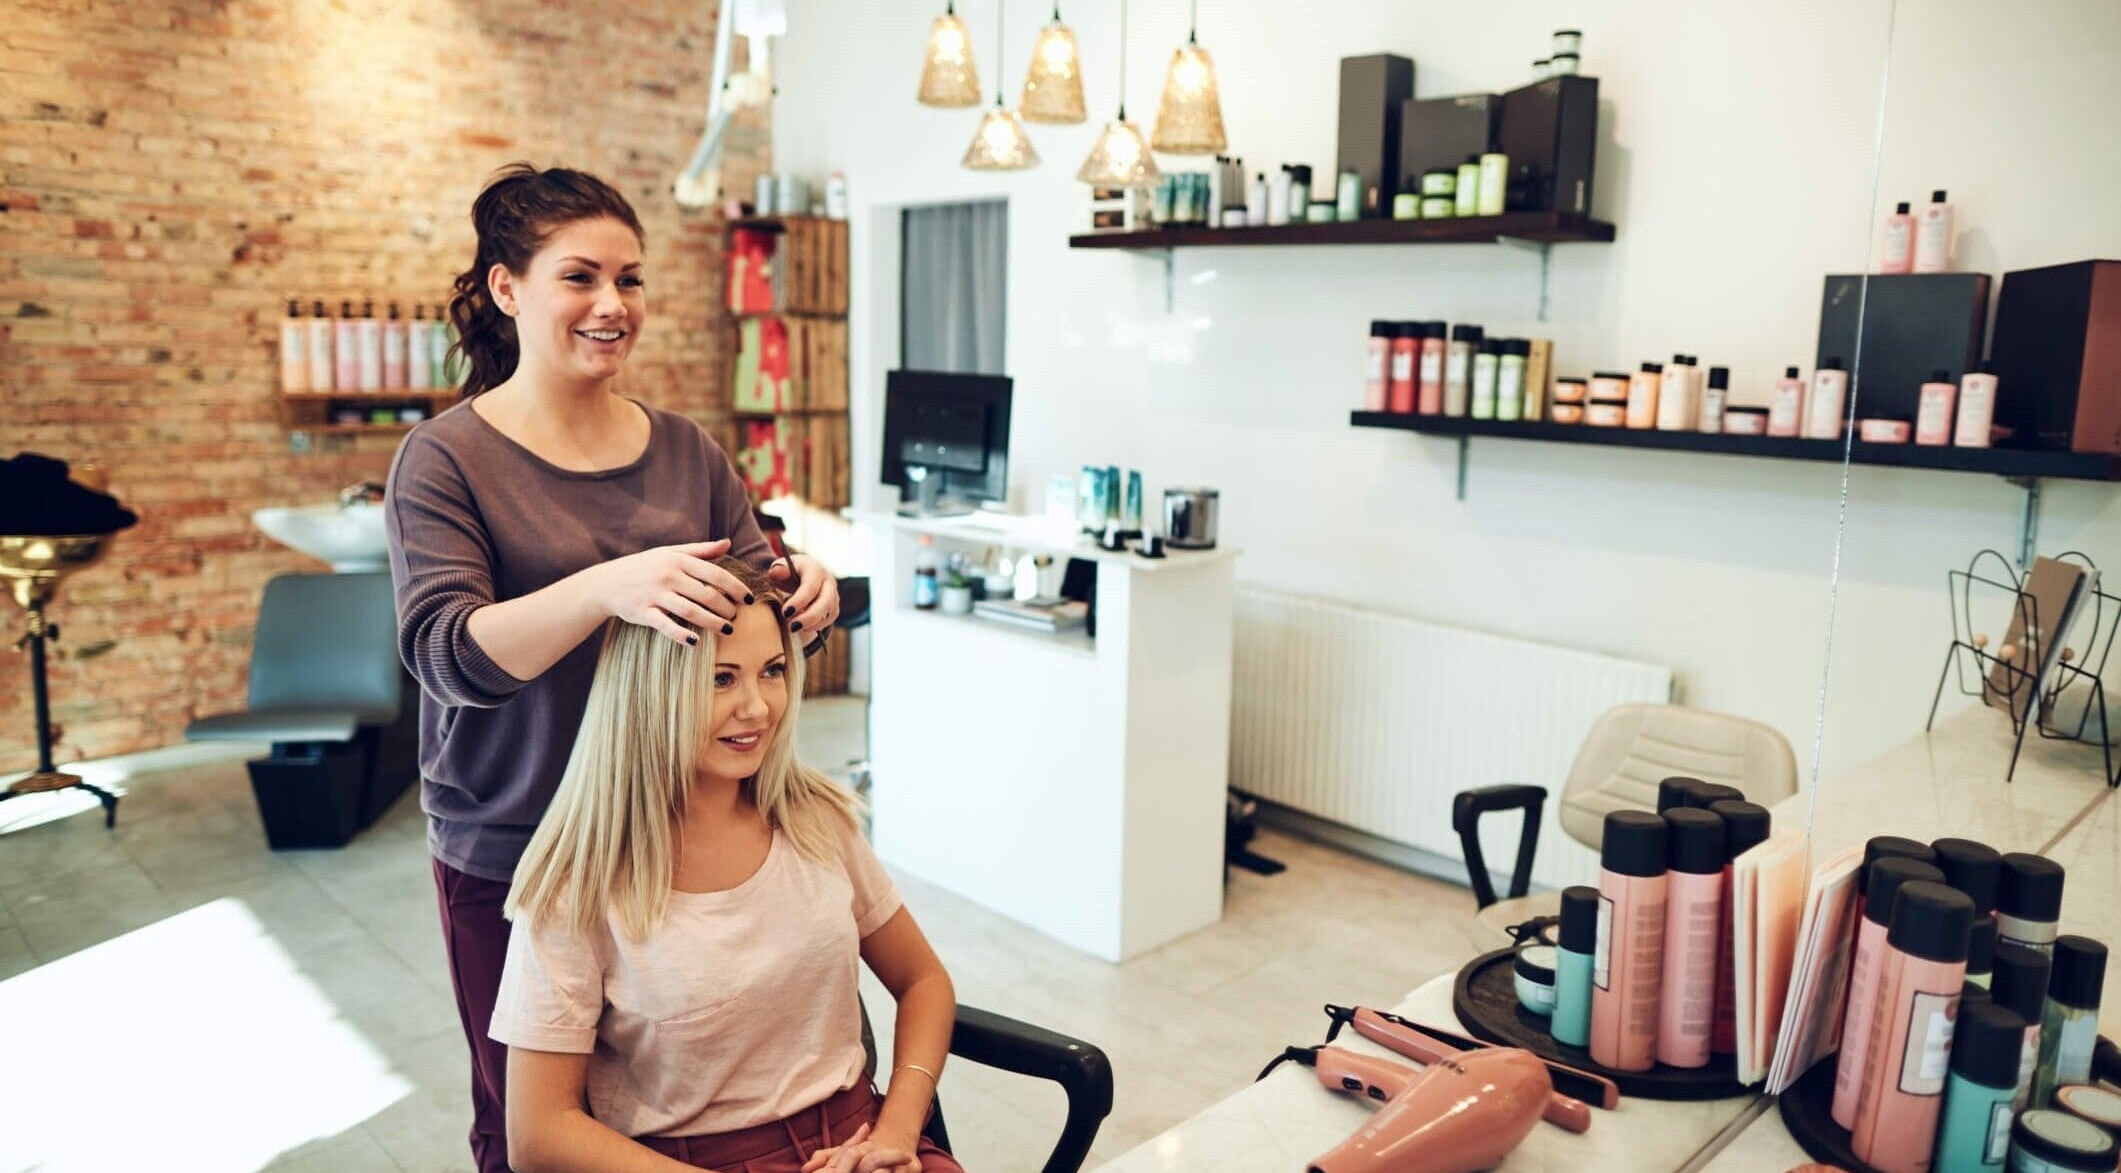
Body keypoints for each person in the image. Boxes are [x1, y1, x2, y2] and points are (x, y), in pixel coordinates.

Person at [386, 163, 841, 1173]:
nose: (612, 305)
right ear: (508, 289)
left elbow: (755, 603)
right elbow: (444, 653)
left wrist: (805, 589)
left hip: (681, 828)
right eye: (580, 277)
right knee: (536, 1123)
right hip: (519, 843)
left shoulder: (686, 451)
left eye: (630, 280)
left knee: (673, 1107)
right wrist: (604, 588)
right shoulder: (445, 460)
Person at [493, 558, 960, 1173]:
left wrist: (897, 1129)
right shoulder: (576, 887)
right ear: (650, 690)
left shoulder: (815, 819)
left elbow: (924, 980)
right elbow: (539, 1136)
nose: (758, 707)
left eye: (772, 672)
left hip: (861, 1142)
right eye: (720, 679)